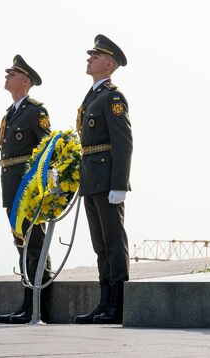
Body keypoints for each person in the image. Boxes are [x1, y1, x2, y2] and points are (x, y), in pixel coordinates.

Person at [74, 35, 133, 324]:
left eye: (94, 56)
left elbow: (123, 143)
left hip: (108, 180)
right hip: (91, 180)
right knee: (100, 245)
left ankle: (117, 305)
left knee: (112, 242)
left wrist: (119, 184)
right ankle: (103, 302)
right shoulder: (92, 96)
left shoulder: (112, 97)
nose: (89, 59)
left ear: (108, 63)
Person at [0, 55, 53, 324]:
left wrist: (44, 187)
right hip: (11, 188)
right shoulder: (10, 114)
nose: (7, 76)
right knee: (21, 246)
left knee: (35, 245)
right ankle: (26, 304)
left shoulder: (35, 111)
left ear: (26, 81)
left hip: (28, 190)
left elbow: (46, 149)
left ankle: (38, 306)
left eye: (13, 73)